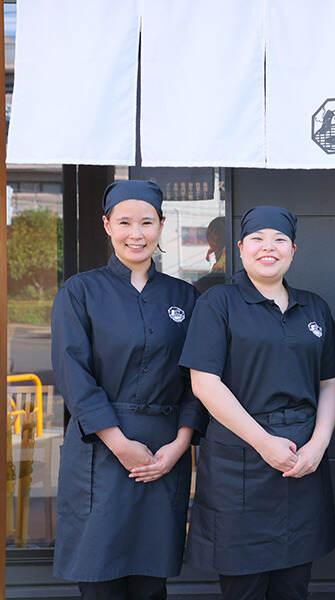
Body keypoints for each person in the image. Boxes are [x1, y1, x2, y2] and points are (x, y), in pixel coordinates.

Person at [51, 180, 205, 599]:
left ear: (161, 226)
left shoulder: (184, 297)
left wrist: (180, 445)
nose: (136, 233)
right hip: (101, 450)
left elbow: (199, 380)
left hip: (163, 451)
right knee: (100, 580)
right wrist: (119, 443)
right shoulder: (80, 292)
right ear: (107, 225)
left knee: (150, 584)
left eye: (146, 222)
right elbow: (73, 374)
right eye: (124, 222)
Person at [179, 206, 335, 600]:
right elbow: (205, 383)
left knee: (294, 585)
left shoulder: (314, 307)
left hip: (303, 458)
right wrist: (264, 442)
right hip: (240, 461)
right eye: (257, 239)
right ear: (240, 248)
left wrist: (318, 445)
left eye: (279, 240)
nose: (269, 248)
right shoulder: (219, 303)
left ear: (293, 250)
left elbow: (330, 383)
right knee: (243, 586)